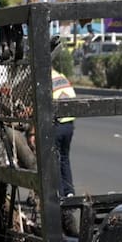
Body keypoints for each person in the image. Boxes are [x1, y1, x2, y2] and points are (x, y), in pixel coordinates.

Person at [50, 38, 76, 198]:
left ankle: (59, 195)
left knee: (54, 161)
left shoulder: (44, 80)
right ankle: (69, 192)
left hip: (57, 124)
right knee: (65, 159)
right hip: (69, 124)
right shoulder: (60, 77)